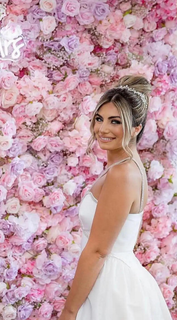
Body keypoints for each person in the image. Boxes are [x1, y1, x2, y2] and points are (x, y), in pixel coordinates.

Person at [58, 75, 173, 320]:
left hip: (112, 288)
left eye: (115, 121)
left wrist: (69, 312)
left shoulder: (122, 174)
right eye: (99, 119)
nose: (102, 128)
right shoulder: (124, 167)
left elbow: (99, 250)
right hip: (108, 280)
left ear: (136, 128)